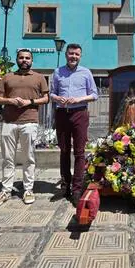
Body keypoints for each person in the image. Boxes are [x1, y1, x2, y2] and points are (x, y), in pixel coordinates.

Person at [0, 49, 49, 208]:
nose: (24, 60)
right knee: (8, 158)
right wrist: (10, 101)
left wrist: (29, 102)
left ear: (31, 60)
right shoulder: (7, 77)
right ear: (17, 59)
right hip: (9, 122)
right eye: (21, 58)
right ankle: (6, 189)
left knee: (28, 157)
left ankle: (28, 189)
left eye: (27, 58)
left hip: (29, 121)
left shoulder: (39, 77)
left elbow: (46, 98)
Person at [50, 43, 98, 205]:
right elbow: (51, 93)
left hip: (79, 114)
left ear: (80, 56)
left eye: (77, 54)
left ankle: (77, 189)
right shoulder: (58, 72)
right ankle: (65, 186)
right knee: (64, 150)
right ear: (66, 55)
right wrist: (57, 98)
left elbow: (94, 94)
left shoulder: (86, 72)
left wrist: (78, 99)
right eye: (71, 54)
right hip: (62, 114)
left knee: (79, 152)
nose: (73, 57)